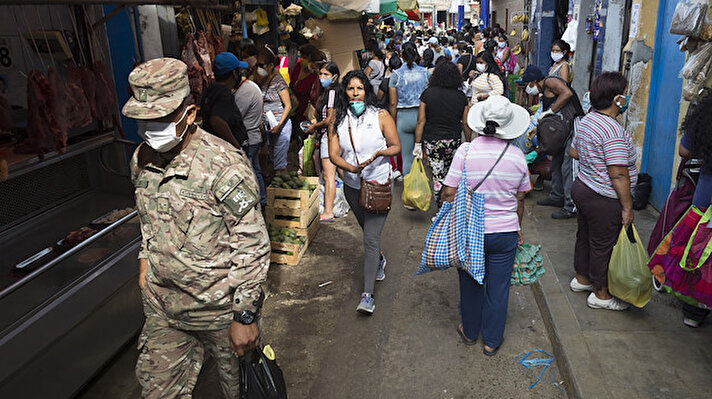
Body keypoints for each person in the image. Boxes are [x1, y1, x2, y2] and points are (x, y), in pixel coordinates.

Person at [122, 58, 269, 398]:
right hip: (164, 309)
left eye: (160, 119)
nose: (149, 129)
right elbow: (148, 219)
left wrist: (245, 315)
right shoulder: (142, 159)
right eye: (143, 120)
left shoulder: (224, 165)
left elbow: (252, 244)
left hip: (220, 312)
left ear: (189, 115)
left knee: (243, 393)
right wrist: (145, 261)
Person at [440, 95, 531, 355]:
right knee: (499, 288)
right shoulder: (517, 157)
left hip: (470, 231)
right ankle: (491, 341)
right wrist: (517, 227)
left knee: (470, 284)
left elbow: (448, 192)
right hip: (504, 233)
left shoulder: (465, 151)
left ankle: (469, 331)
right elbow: (520, 197)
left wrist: (447, 220)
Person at [329, 70, 401, 314]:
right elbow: (334, 154)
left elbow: (396, 146)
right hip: (352, 185)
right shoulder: (338, 119)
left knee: (370, 239)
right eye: (351, 89)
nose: (355, 93)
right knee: (366, 229)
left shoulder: (381, 116)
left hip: (378, 184)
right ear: (345, 92)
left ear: (366, 91)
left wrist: (379, 154)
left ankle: (367, 295)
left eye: (360, 88)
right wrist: (350, 167)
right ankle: (379, 259)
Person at [569, 72, 637, 311]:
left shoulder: (588, 120)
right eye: (625, 93)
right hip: (603, 197)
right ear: (617, 99)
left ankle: (582, 278)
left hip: (583, 187)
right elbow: (618, 174)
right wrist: (627, 207)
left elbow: (574, 151)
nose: (628, 97)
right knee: (603, 245)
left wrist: (593, 159)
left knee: (585, 236)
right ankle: (601, 293)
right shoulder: (612, 131)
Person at [521, 64, 582, 219]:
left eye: (528, 84)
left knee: (568, 166)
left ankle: (571, 206)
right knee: (556, 162)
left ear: (534, 81)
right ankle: (557, 195)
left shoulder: (550, 81)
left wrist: (551, 110)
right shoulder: (544, 91)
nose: (528, 88)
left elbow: (567, 93)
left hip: (573, 124)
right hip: (562, 128)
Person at [413, 59, 471, 204]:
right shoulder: (461, 97)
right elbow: (465, 123)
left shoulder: (427, 94)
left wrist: (417, 144)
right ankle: (452, 206)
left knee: (437, 176)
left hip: (433, 141)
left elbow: (421, 121)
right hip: (454, 141)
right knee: (452, 175)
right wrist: (469, 143)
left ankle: (440, 209)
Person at [677, 95, 712, 327]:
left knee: (699, 254)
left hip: (706, 196)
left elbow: (684, 151)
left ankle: (694, 312)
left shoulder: (707, 113)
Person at [389, 42, 430, 198]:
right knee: (422, 155)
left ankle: (410, 194)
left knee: (407, 157)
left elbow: (393, 103)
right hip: (422, 117)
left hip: (403, 118)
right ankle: (423, 190)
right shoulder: (426, 73)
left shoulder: (396, 75)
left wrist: (392, 122)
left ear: (402, 56)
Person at [305, 61, 340, 221]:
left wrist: (315, 126)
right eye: (321, 74)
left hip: (329, 137)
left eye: (326, 74)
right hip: (328, 136)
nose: (322, 77)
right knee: (335, 173)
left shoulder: (332, 93)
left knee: (329, 175)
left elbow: (330, 119)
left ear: (334, 77)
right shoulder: (327, 92)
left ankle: (328, 211)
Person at [233, 54, 266, 208]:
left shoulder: (246, 90)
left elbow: (235, 116)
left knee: (250, 172)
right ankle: (263, 200)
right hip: (253, 137)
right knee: (255, 170)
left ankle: (259, 203)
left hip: (250, 138)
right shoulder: (250, 87)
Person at [200, 52, 249, 151]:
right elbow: (216, 120)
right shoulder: (223, 93)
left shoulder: (211, 90)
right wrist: (236, 146)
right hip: (226, 151)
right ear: (234, 73)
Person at [257, 45, 293, 173]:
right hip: (268, 127)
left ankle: (281, 191)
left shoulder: (278, 81)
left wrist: (279, 124)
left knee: (279, 164)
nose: (258, 68)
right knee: (272, 158)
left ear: (271, 65)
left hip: (280, 126)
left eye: (261, 65)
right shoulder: (261, 81)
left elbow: (288, 105)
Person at [290, 44, 326, 123]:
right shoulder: (298, 66)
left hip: (306, 113)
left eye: (305, 58)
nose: (302, 59)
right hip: (292, 109)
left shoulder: (315, 76)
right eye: (301, 56)